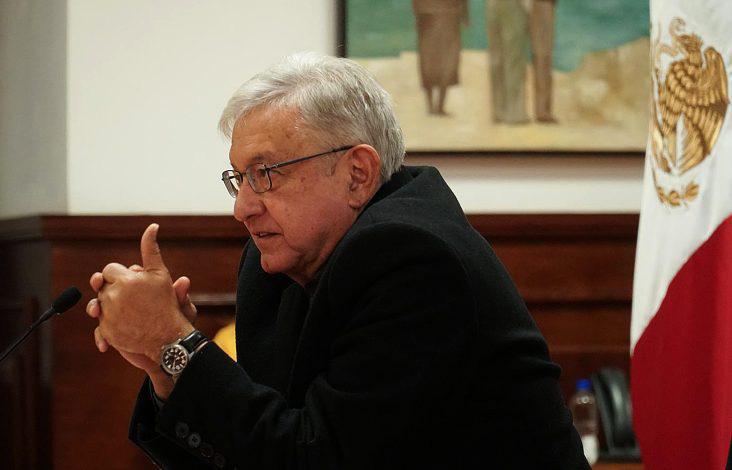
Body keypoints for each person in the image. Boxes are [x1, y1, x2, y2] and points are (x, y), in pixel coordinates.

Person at [86, 53, 589, 469]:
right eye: (239, 178)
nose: (242, 208)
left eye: (266, 174)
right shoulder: (277, 264)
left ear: (357, 174)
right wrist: (165, 367)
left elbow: (317, 459)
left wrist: (176, 345)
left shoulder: (414, 259)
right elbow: (255, 447)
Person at [412, 0, 468, 115]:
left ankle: (432, 106)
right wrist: (465, 14)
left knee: (429, 57)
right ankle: (438, 106)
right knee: (446, 57)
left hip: (428, 14)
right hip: (447, 13)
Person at [486, 0, 531, 124]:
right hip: (513, 5)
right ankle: (515, 113)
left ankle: (498, 111)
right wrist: (528, 8)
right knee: (514, 59)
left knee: (496, 58)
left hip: (492, 5)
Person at [529, 0, 558, 122]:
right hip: (541, 5)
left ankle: (543, 109)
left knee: (543, 56)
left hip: (540, 5)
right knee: (543, 56)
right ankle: (542, 111)